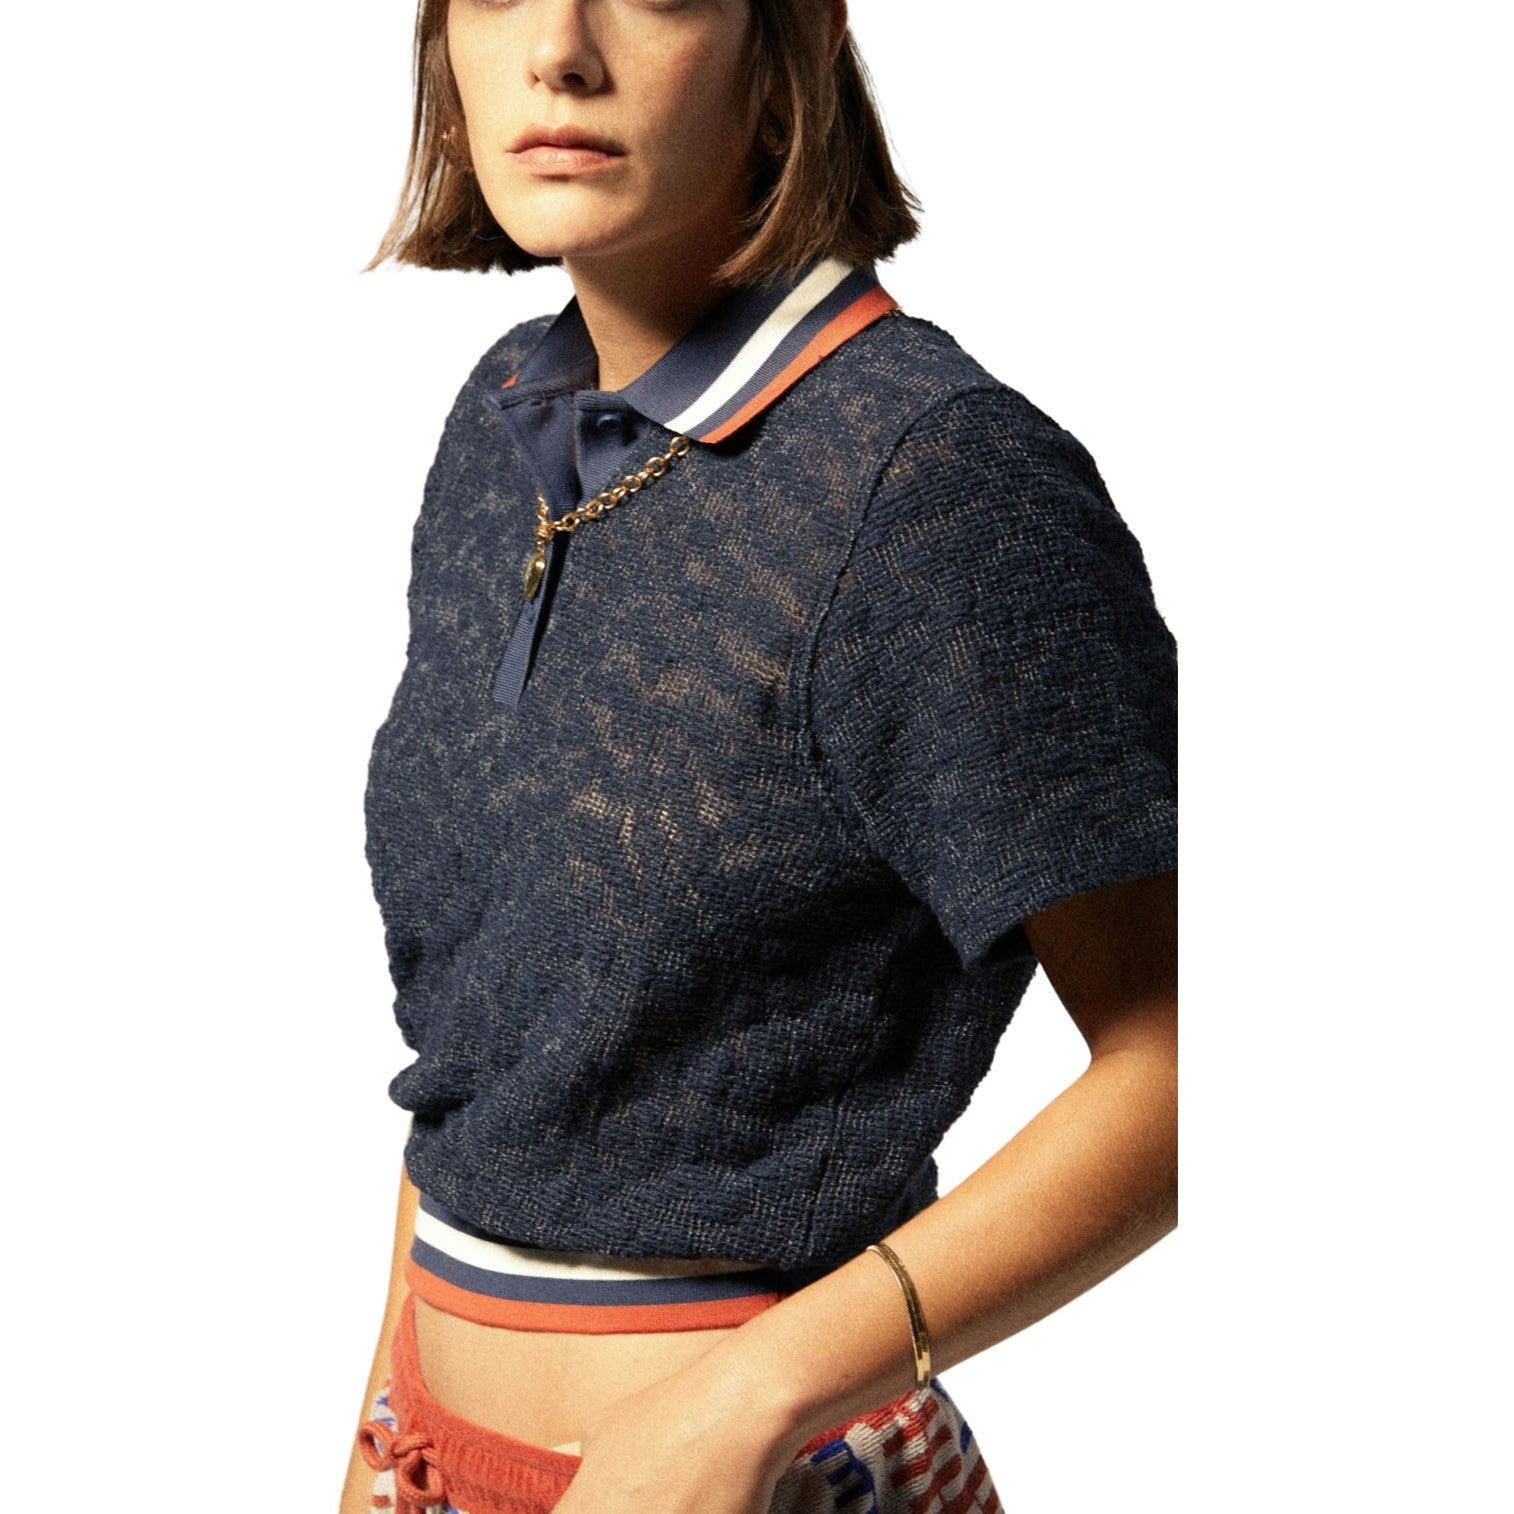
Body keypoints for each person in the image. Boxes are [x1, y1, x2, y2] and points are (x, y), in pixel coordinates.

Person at [342, 1, 1179, 1511]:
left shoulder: (935, 480)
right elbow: (489, 1058)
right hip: (437, 1458)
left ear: (788, 31)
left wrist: (749, 1398)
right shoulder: (505, 429)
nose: (560, 47)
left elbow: (1195, 1064)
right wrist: (377, 1440)